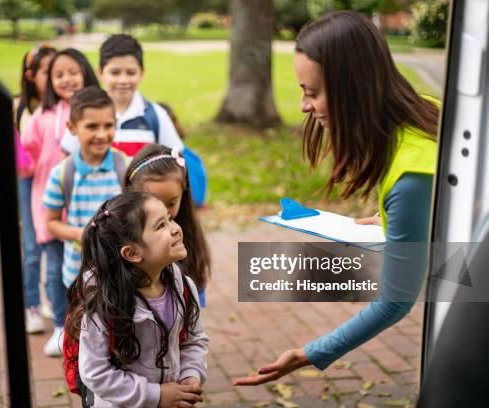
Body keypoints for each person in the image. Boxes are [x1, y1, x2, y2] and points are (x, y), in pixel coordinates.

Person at [234, 10, 440, 385]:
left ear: (353, 89)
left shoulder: (410, 180)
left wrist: (309, 353)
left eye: (312, 92)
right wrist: (400, 221)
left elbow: (396, 300)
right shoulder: (424, 112)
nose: (303, 107)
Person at [65, 192, 209, 407]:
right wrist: (155, 396)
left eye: (169, 218)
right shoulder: (104, 304)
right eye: (161, 226)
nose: (176, 228)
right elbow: (96, 373)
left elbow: (193, 339)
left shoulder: (184, 287)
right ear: (132, 253)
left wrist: (190, 375)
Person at [21, 48, 100, 357]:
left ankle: (94, 326)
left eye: (72, 72)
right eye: (59, 74)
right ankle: (60, 326)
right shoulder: (42, 118)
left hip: (87, 204)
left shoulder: (96, 111)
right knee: (55, 269)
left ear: (85, 73)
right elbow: (26, 162)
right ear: (49, 82)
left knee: (92, 269)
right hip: (52, 207)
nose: (66, 79)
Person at [43, 86, 125, 289]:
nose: (102, 134)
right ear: (72, 128)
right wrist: (78, 234)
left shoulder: (125, 167)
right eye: (92, 126)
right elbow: (51, 222)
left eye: (108, 125)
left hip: (121, 272)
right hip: (78, 275)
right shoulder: (61, 174)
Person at [124, 144, 211, 307]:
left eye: (171, 203)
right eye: (154, 203)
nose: (163, 212)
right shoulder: (124, 246)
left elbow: (197, 307)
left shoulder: (189, 241)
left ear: (182, 196)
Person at [15, 44, 56, 334]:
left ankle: (52, 298)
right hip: (28, 180)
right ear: (31, 75)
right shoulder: (20, 106)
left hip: (54, 178)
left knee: (55, 241)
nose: (53, 77)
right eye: (47, 71)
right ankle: (31, 303)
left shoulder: (62, 106)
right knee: (32, 246)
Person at [97, 34, 184, 157]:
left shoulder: (156, 115)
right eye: (115, 73)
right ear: (100, 73)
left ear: (141, 73)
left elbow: (175, 159)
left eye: (131, 72)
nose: (123, 80)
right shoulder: (87, 113)